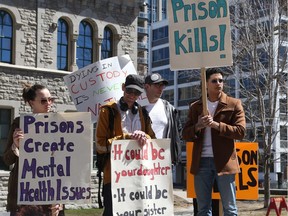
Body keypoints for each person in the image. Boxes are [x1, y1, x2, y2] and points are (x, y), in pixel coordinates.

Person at [182, 68, 246, 216]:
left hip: (224, 163)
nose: (218, 83)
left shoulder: (234, 104)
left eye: (221, 80)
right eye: (214, 80)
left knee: (230, 209)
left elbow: (241, 132)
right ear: (205, 84)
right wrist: (198, 125)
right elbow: (185, 134)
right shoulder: (196, 106)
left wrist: (216, 125)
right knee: (203, 209)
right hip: (201, 162)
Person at [96, 74, 156, 216]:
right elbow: (100, 145)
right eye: (129, 91)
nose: (132, 95)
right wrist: (126, 137)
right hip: (114, 176)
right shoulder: (107, 111)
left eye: (136, 93)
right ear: (123, 88)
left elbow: (152, 140)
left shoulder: (143, 113)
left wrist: (144, 136)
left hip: (138, 175)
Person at [3, 84, 64, 216]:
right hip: (24, 196)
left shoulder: (60, 125)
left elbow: (65, 165)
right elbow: (7, 160)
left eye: (50, 99)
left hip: (49, 194)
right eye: (43, 100)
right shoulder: (19, 124)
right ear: (32, 103)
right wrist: (16, 145)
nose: (48, 103)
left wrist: (61, 200)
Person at [144, 73, 182, 165]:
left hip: (162, 159)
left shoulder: (169, 108)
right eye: (157, 85)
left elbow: (178, 132)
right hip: (141, 157)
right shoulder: (136, 107)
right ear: (147, 86)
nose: (161, 88)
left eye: (162, 85)